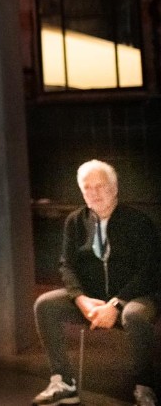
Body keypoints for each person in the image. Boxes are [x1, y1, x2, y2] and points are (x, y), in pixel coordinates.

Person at [32, 160, 160, 406]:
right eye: (87, 188)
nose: (94, 193)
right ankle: (64, 382)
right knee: (45, 305)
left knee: (134, 315)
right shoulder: (75, 221)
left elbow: (150, 269)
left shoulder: (138, 221)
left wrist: (116, 304)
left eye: (100, 186)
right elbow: (66, 265)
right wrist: (80, 298)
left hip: (134, 296)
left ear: (114, 188)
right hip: (92, 298)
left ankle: (145, 386)